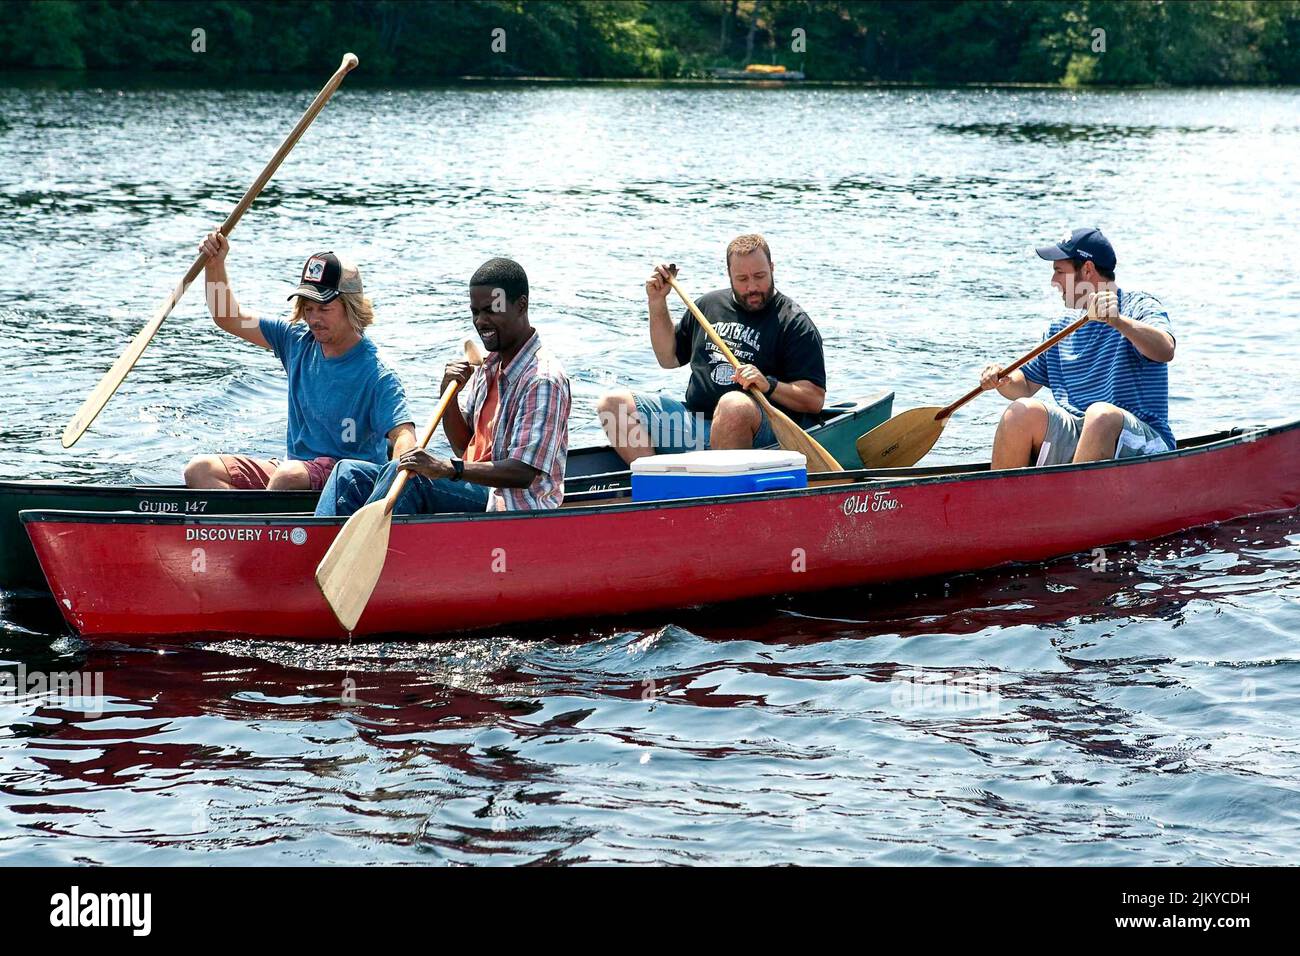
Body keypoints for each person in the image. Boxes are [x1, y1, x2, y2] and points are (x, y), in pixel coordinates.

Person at [316, 257, 570, 516]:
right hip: (475, 487)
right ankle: (319, 551)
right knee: (348, 474)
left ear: (521, 306)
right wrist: (448, 395)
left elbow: (523, 472)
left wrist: (449, 468)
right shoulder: (489, 367)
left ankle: (362, 551)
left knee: (406, 474)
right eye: (475, 311)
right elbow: (463, 445)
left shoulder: (543, 379)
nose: (481, 321)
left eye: (491, 310)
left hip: (511, 505)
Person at [183, 233, 415, 490]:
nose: (314, 318)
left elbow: (404, 436)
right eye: (308, 308)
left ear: (351, 308)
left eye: (324, 309)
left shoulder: (378, 373)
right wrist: (215, 264)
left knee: (287, 477)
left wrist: (396, 484)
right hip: (295, 467)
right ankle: (242, 527)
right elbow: (227, 316)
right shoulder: (295, 338)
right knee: (200, 470)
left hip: (349, 479)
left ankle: (262, 524)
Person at [595, 233, 826, 464]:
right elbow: (668, 358)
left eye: (759, 276)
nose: (752, 287)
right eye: (742, 279)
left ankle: (723, 492)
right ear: (729, 275)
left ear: (772, 268)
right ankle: (653, 482)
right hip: (695, 427)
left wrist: (769, 385)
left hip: (761, 438)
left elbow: (814, 399)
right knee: (612, 404)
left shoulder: (793, 322)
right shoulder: (708, 305)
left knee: (733, 405)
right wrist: (656, 302)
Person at [981, 227, 1176, 470]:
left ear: (1087, 269)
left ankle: (1071, 501)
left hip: (1147, 444)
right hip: (1084, 434)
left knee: (1100, 415)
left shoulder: (1138, 306)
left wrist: (1118, 321)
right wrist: (1003, 379)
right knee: (1020, 413)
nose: (1053, 282)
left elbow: (1165, 349)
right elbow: (1026, 386)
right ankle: (1004, 505)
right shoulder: (1060, 329)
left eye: (1059, 272)